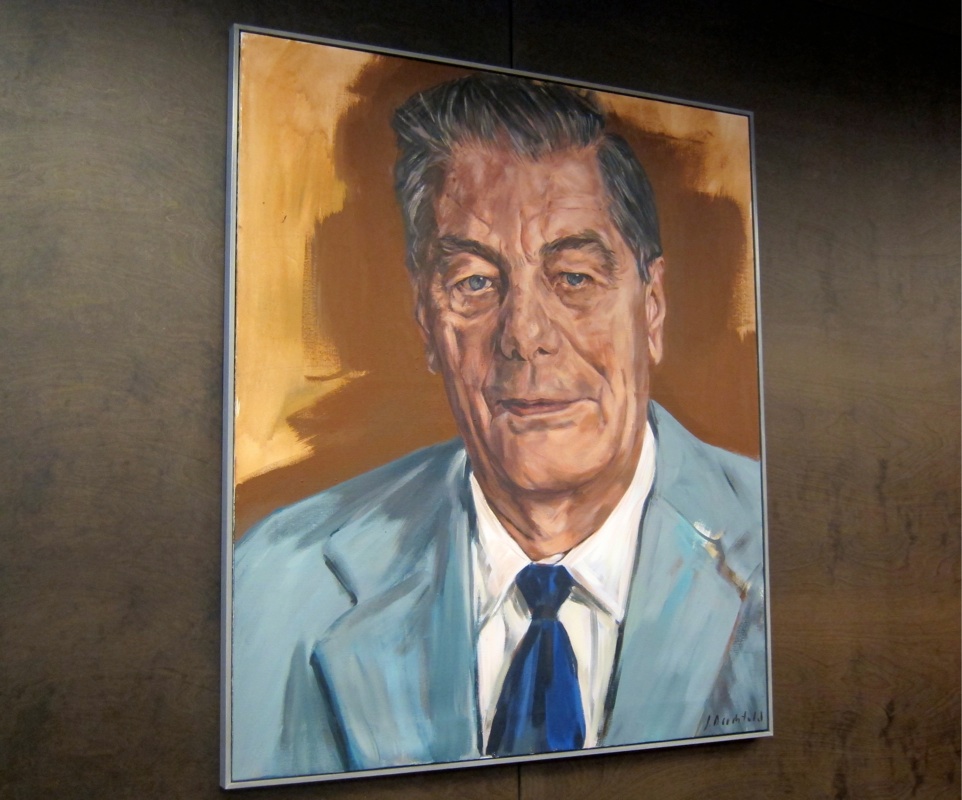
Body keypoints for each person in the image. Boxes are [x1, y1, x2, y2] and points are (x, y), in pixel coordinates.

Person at [230, 73, 767, 782]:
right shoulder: (276, 582)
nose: (525, 336)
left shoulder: (775, 548)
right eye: (475, 283)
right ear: (427, 323)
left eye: (574, 277)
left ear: (653, 308)